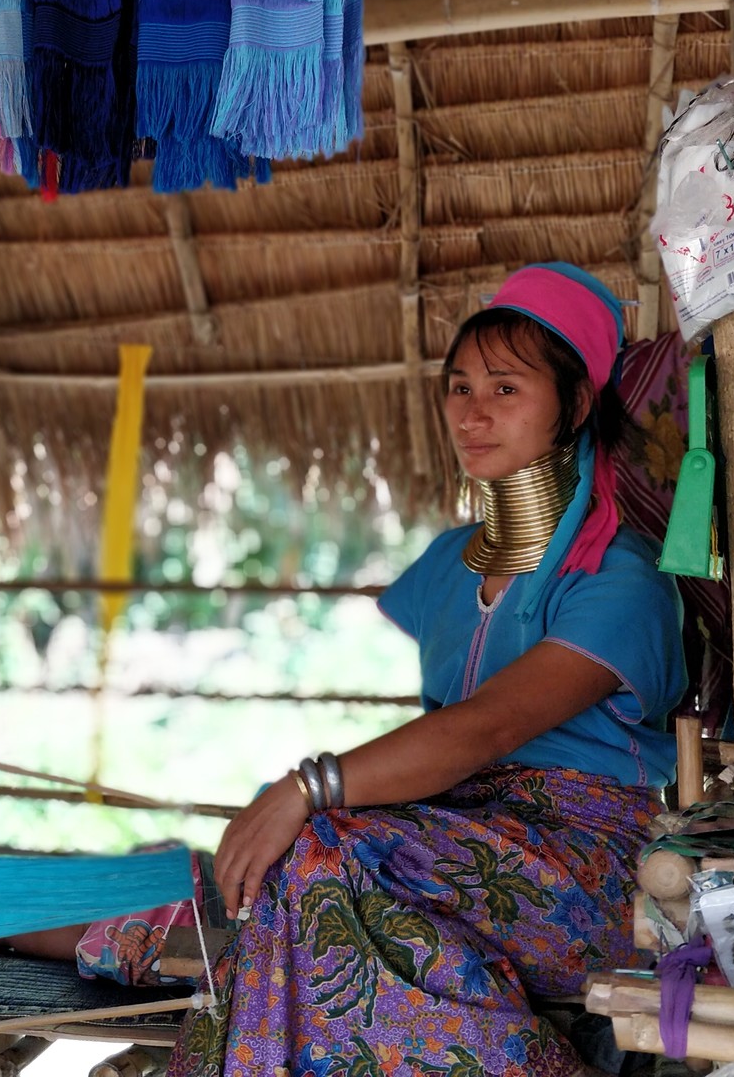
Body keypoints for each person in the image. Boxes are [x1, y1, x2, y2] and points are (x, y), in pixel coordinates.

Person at [166, 262, 688, 1077]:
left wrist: (305, 789)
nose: (472, 413)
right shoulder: (450, 564)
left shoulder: (618, 578)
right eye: (459, 387)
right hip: (448, 841)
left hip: (589, 874)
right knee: (270, 885)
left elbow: (486, 728)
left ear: (576, 405)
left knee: (311, 861)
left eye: (506, 390)